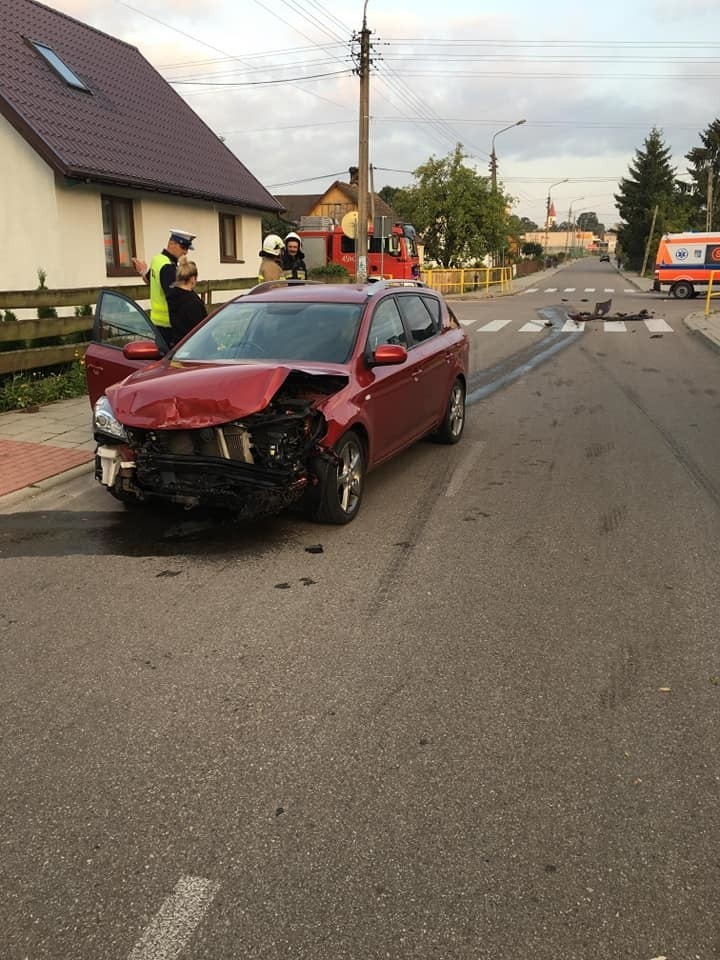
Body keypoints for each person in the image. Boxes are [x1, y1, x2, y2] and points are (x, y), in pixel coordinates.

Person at [132, 229, 196, 345]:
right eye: (183, 247)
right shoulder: (169, 267)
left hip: (158, 323)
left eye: (187, 249)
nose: (185, 252)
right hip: (170, 326)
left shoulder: (157, 260)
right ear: (172, 243)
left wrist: (142, 272)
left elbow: (149, 280)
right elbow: (177, 297)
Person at [166, 256, 207, 346]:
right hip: (194, 346)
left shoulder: (172, 296)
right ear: (192, 279)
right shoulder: (192, 302)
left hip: (178, 345)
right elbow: (202, 329)